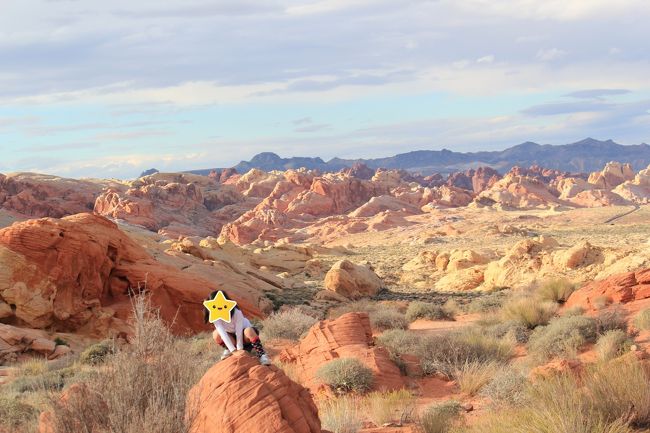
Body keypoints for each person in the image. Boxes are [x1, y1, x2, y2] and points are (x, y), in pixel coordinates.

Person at [203, 290, 271, 365]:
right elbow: (222, 333)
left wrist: (240, 349)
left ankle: (262, 355)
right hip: (232, 336)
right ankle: (228, 349)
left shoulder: (236, 312)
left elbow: (239, 331)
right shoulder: (214, 315)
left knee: (248, 330)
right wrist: (233, 351)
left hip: (245, 336)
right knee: (216, 334)